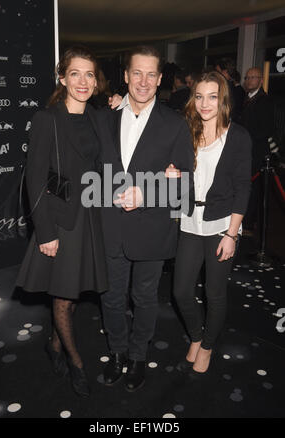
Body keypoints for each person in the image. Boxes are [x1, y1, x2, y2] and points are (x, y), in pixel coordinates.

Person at [95, 45, 194, 392]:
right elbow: (92, 174)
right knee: (110, 297)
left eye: (151, 74)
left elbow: (186, 189)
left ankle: (138, 357)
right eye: (137, 72)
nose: (143, 81)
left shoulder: (175, 124)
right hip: (110, 228)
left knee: (145, 297)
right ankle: (117, 354)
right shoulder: (103, 119)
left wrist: (148, 194)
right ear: (125, 76)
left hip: (152, 228)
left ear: (160, 79)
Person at [16, 45, 108, 397]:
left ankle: (53, 345)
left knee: (72, 295)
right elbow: (35, 179)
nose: (82, 81)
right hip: (62, 220)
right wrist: (46, 232)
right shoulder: (47, 119)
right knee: (64, 296)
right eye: (75, 73)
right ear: (62, 78)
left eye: (89, 74)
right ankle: (76, 363)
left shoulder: (99, 117)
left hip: (91, 218)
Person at [171, 70, 251, 374]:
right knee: (180, 290)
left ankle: (206, 346)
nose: (205, 103)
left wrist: (232, 234)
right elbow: (176, 170)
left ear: (223, 100)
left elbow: (244, 186)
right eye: (200, 96)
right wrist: (172, 173)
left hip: (221, 224)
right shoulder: (186, 131)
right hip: (190, 220)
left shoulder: (238, 136)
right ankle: (195, 335)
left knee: (214, 293)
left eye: (213, 96)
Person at [242, 67, 274, 233]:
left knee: (254, 188)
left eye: (253, 77)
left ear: (261, 80)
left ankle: (249, 222)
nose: (249, 80)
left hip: (257, 152)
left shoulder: (264, 101)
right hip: (247, 151)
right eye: (247, 77)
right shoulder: (246, 98)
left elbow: (265, 129)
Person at [215, 57, 244, 123]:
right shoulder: (231, 86)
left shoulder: (228, 88)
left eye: (217, 72)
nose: (216, 75)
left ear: (225, 72)